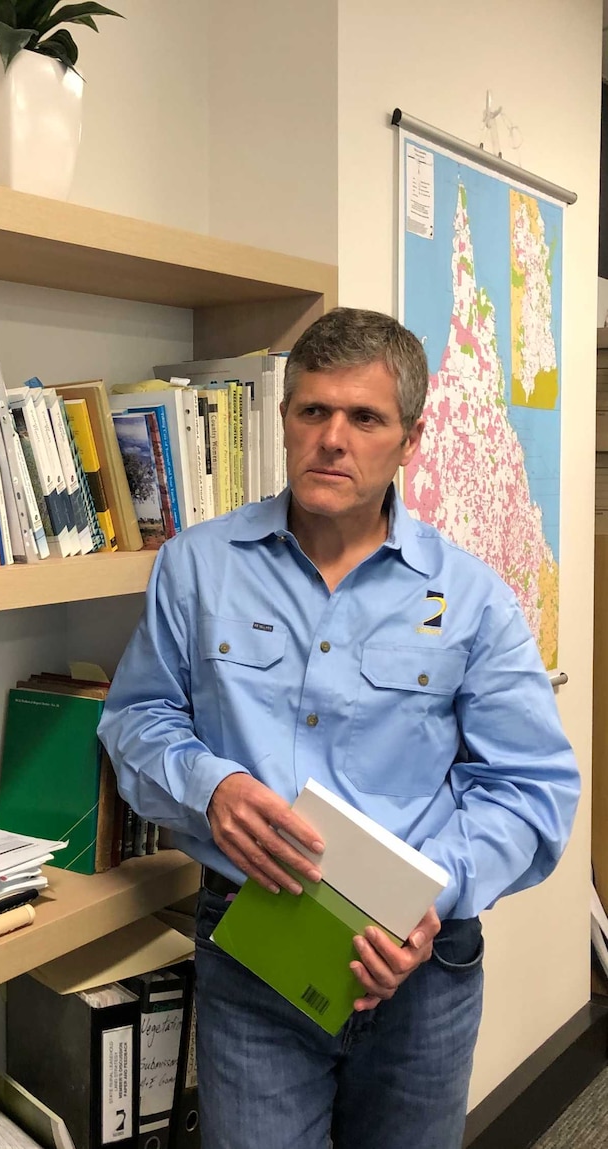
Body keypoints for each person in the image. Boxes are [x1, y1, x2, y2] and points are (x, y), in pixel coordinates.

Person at [97, 307, 579, 1149]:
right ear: (284, 421)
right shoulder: (197, 566)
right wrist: (212, 788)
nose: (333, 438)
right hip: (254, 947)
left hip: (421, 969)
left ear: (410, 439)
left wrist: (436, 894)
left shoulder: (472, 598)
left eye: (365, 417)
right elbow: (135, 717)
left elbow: (532, 788)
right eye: (313, 410)